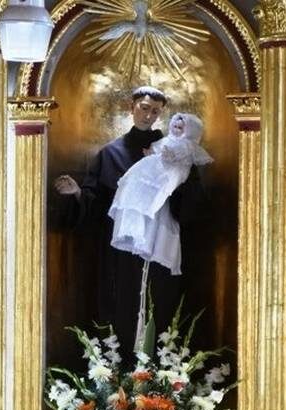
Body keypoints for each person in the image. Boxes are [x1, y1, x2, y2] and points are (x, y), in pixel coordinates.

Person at [53, 87, 207, 359]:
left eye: (156, 111)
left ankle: (161, 376)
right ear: (131, 108)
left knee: (159, 303)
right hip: (121, 253)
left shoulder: (173, 151)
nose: (149, 115)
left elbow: (192, 202)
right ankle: (118, 371)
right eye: (144, 108)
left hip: (160, 245)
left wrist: (171, 177)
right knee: (121, 304)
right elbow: (97, 204)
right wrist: (77, 195)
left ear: (162, 114)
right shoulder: (110, 154)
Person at [108, 112, 212, 275]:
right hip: (159, 170)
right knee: (138, 180)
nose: (177, 130)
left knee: (163, 189)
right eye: (175, 126)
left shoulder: (187, 145)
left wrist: (167, 155)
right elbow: (157, 149)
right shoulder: (166, 140)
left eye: (181, 128)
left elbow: (177, 157)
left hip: (174, 173)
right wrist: (152, 152)